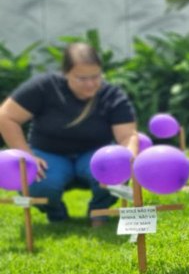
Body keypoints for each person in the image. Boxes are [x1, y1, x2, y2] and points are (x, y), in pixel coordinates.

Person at [0, 43, 138, 226]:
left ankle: (99, 211)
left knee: (116, 170)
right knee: (40, 185)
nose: (90, 84)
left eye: (95, 76)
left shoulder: (112, 96)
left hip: (94, 154)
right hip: (48, 154)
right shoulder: (44, 87)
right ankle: (57, 215)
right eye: (81, 78)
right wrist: (26, 154)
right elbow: (6, 116)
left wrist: (126, 162)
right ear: (66, 73)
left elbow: (128, 136)